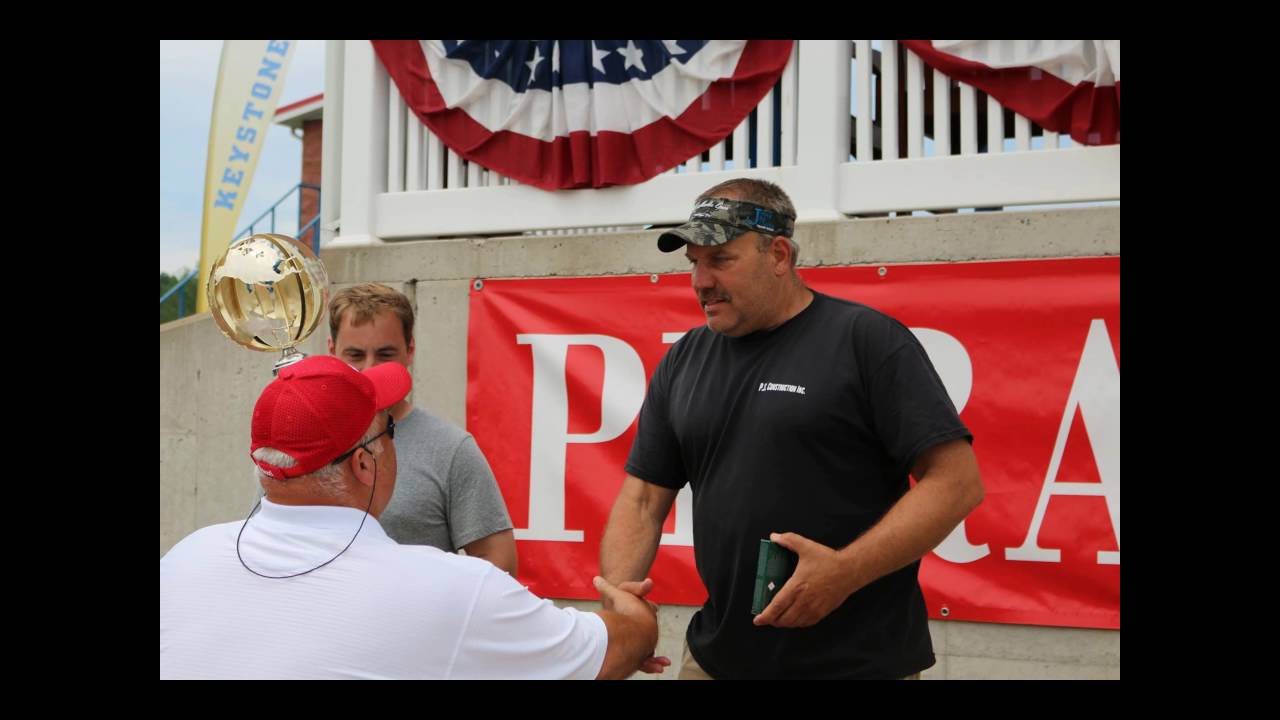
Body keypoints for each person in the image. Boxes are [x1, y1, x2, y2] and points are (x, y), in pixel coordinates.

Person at [600, 178, 984, 680]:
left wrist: (845, 572)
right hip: (718, 659)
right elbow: (644, 499)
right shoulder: (684, 359)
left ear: (779, 255)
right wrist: (619, 616)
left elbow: (957, 483)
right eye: (694, 262)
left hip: (857, 665)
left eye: (721, 260)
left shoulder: (864, 341)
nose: (701, 281)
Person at [161, 355, 659, 679]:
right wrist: (630, 610)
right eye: (391, 431)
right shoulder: (453, 589)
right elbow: (608, 653)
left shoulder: (184, 558)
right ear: (364, 462)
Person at [327, 283, 517, 575]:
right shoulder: (301, 441)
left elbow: (498, 562)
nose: (370, 369)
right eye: (355, 355)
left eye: (385, 354)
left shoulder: (451, 449)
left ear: (410, 351)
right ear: (332, 351)